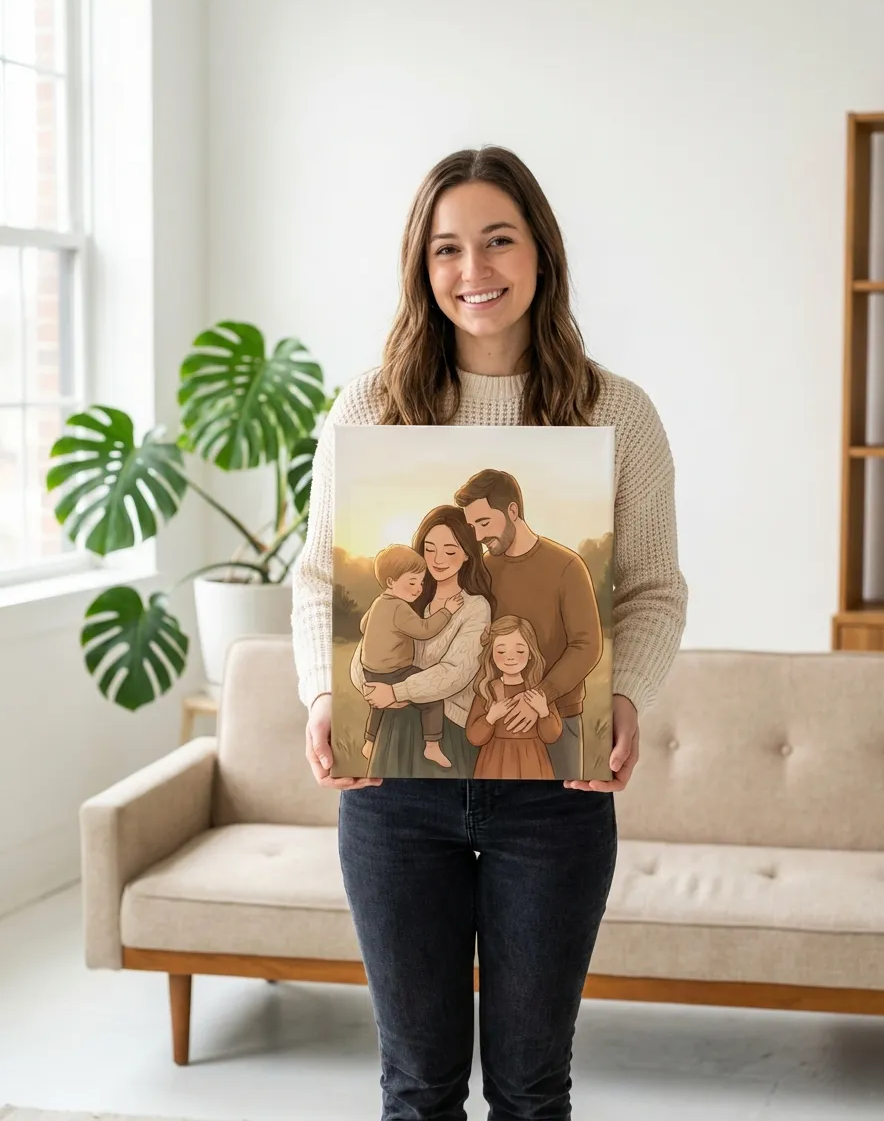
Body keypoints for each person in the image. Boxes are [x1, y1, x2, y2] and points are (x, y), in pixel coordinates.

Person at [292, 145, 688, 1121]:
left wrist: (623, 695)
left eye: (499, 241)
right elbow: (317, 579)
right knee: (417, 1088)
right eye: (447, 249)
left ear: (541, 250)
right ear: (421, 267)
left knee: (531, 1089)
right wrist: (321, 693)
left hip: (553, 793)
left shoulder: (616, 412)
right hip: (394, 798)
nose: (474, 270)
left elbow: (651, 589)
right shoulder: (370, 406)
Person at [455, 467, 601, 780]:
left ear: (512, 511)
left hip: (558, 719)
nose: (478, 536)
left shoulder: (567, 566)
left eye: (484, 522)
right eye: (472, 526)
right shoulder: (483, 572)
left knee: (561, 808)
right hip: (495, 726)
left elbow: (587, 645)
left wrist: (541, 697)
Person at [351, 505, 493, 778]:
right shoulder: (404, 599)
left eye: (450, 551)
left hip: (446, 727)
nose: (438, 560)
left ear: (467, 554)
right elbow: (364, 653)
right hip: (394, 723)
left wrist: (395, 692)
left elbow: (455, 672)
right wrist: (372, 689)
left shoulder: (475, 607)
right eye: (429, 549)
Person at [357, 543, 464, 764]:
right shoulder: (399, 607)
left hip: (371, 672)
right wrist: (447, 611)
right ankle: (432, 746)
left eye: (421, 583)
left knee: (378, 706)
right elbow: (424, 630)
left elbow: (362, 626)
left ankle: (369, 742)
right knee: (432, 696)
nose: (418, 589)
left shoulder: (378, 602)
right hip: (395, 672)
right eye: (412, 582)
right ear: (391, 582)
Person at [465, 614, 562, 780]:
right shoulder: (487, 691)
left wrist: (543, 711)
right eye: (501, 651)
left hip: (532, 761)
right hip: (494, 762)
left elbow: (552, 736)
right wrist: (491, 717)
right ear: (491, 655)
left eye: (520, 651)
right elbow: (474, 737)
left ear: (530, 653)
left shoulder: (537, 691)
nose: (510, 657)